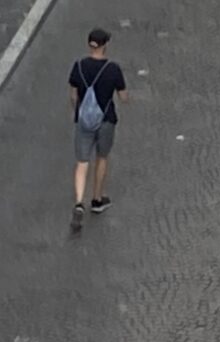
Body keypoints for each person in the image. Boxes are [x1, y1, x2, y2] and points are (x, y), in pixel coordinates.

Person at [68, 28, 128, 231]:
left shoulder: (78, 66)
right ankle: (97, 199)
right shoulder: (112, 69)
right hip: (106, 120)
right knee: (101, 158)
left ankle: (79, 202)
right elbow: (123, 97)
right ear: (104, 45)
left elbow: (73, 96)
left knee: (82, 162)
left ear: (89, 44)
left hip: (84, 121)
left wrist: (79, 112)